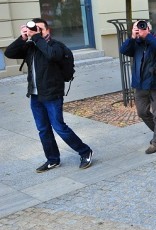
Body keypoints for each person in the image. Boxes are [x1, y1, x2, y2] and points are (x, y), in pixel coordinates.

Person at [5, 18, 94, 172]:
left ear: (47, 30)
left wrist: (37, 37)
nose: (36, 32)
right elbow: (9, 53)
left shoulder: (56, 46)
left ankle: (85, 151)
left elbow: (52, 55)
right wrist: (24, 37)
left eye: (40, 29)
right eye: (34, 29)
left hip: (52, 94)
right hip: (35, 95)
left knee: (59, 127)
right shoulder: (31, 46)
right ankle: (52, 159)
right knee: (43, 129)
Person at [119, 20, 156, 154]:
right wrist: (132, 36)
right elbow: (123, 50)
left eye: (142, 27)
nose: (140, 29)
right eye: (137, 27)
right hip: (140, 84)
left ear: (149, 28)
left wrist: (147, 36)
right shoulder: (136, 44)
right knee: (142, 112)